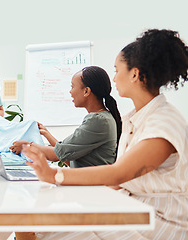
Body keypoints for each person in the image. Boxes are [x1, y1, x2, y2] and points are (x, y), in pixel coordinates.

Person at [18, 29, 188, 239]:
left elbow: (119, 173)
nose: (114, 79)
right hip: (132, 209)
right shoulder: (134, 118)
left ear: (134, 74)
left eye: (117, 70)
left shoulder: (163, 123)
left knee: (38, 228)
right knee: (33, 223)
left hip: (159, 223)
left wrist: (54, 175)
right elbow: (118, 181)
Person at [10, 66, 122, 168]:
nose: (70, 91)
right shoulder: (103, 117)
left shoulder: (98, 120)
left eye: (72, 86)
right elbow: (67, 157)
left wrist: (26, 146)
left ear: (86, 91)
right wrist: (47, 134)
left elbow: (57, 155)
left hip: (92, 187)